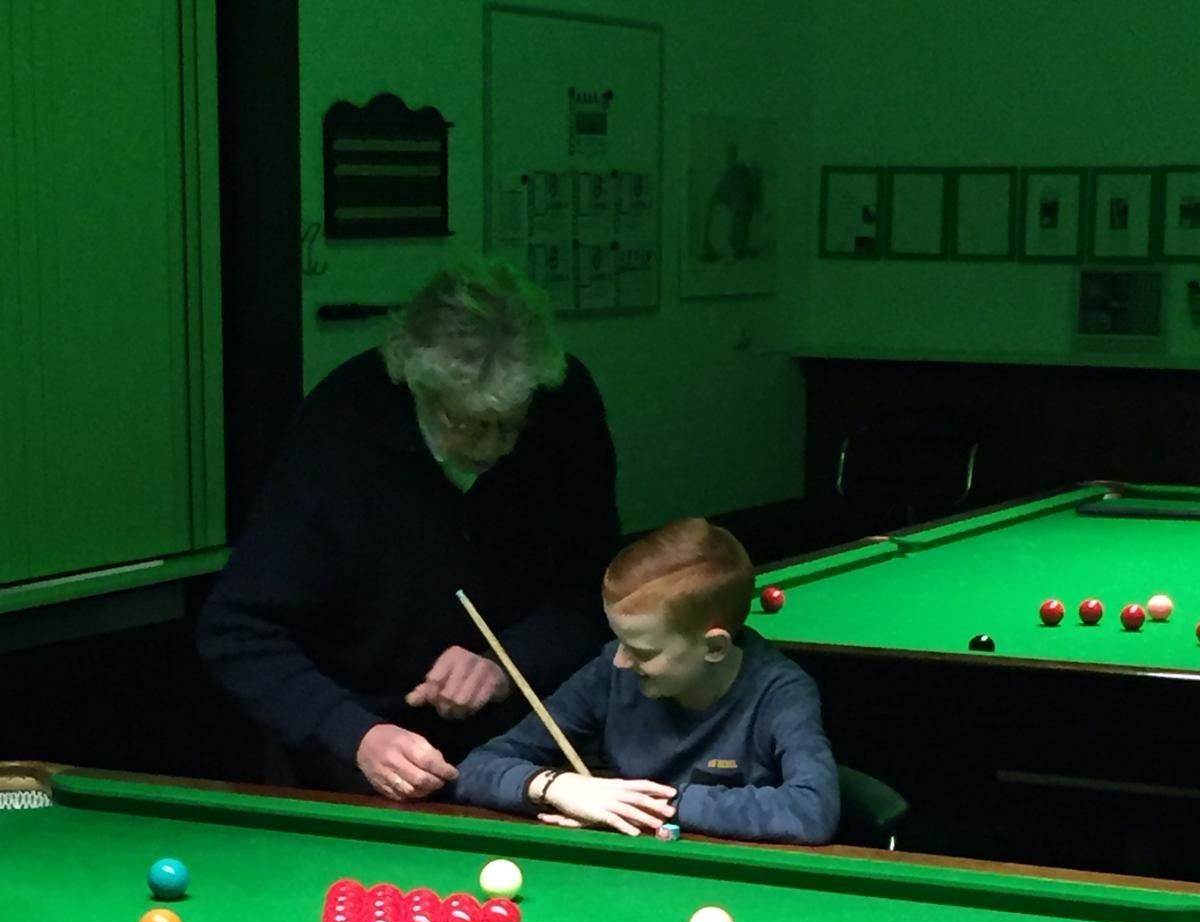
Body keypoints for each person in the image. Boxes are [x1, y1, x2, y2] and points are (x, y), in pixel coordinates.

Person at [197, 258, 620, 798]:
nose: (494, 446)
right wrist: (354, 734)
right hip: (365, 762)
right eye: (465, 422)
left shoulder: (562, 407)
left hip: (529, 754)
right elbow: (237, 631)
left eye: (512, 422)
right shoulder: (338, 434)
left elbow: (596, 589)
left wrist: (507, 662)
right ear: (412, 381)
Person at [454, 519, 840, 844]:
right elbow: (478, 767)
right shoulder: (609, 672)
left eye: (642, 651)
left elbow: (811, 810)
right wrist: (558, 787)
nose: (621, 661)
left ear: (715, 647)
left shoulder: (781, 692)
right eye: (618, 640)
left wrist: (649, 804)